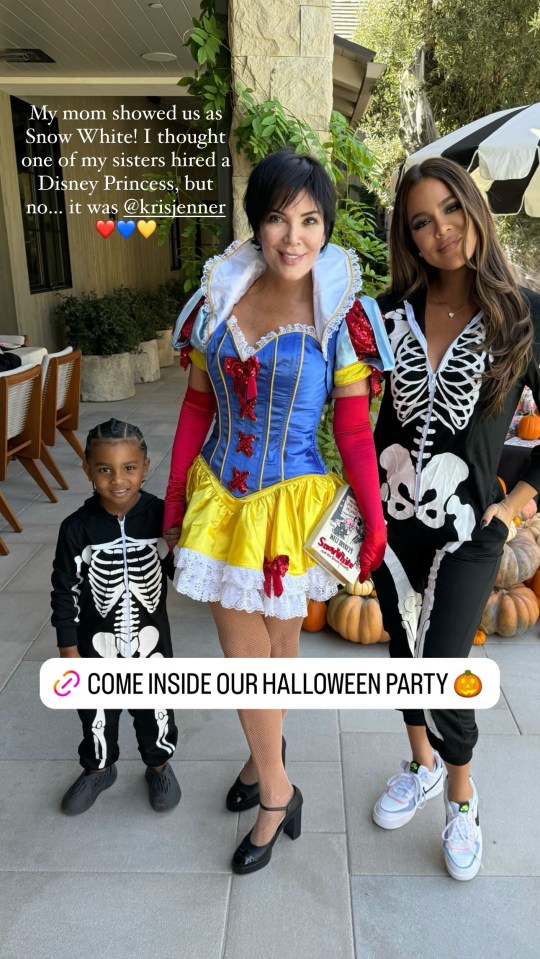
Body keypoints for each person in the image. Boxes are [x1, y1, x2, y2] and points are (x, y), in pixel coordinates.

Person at [164, 149, 394, 874]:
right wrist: (173, 501)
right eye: (275, 218)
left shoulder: (341, 310)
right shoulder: (216, 299)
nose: (293, 237)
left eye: (309, 219)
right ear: (256, 224)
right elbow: (198, 405)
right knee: (245, 665)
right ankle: (276, 785)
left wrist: (374, 519)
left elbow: (354, 429)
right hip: (225, 505)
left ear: (324, 226)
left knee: (278, 653)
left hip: (297, 507)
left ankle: (268, 769)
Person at [371, 157, 540, 881]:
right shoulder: (386, 314)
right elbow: (355, 409)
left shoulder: (523, 313)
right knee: (402, 655)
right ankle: (422, 763)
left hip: (472, 528)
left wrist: (514, 504)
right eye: (420, 221)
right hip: (390, 519)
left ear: (473, 208)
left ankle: (461, 796)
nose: (440, 231)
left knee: (444, 665)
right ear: (407, 237)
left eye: (449, 210)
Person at [51, 418, 181, 815]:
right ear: (88, 470)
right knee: (95, 712)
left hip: (151, 643)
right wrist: (68, 648)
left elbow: (182, 574)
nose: (117, 479)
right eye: (104, 469)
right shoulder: (76, 528)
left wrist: (180, 546)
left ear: (145, 466)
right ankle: (98, 768)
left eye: (129, 468)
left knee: (155, 708)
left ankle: (158, 764)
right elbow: (64, 590)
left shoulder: (162, 516)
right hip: (95, 644)